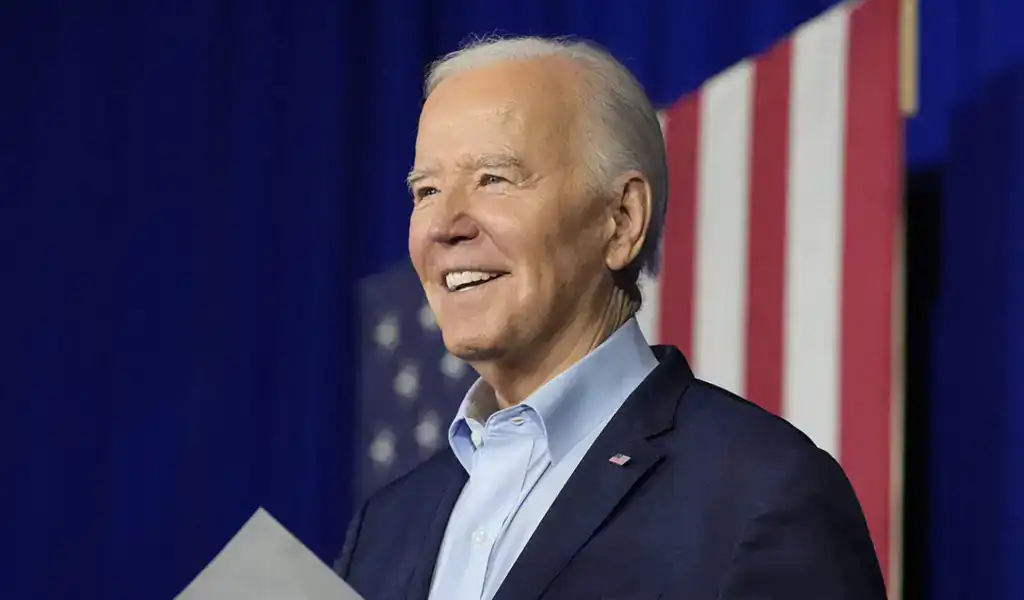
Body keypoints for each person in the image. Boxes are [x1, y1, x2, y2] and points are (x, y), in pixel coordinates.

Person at [334, 36, 887, 600]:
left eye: (494, 179)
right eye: (425, 190)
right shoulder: (384, 527)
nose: (443, 225)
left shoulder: (762, 496)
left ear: (621, 220)